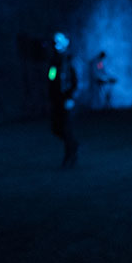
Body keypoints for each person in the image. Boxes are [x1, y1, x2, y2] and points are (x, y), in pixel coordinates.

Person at [47, 32, 79, 167]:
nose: (56, 45)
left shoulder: (66, 61)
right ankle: (72, 145)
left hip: (65, 100)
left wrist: (70, 97)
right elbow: (51, 79)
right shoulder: (55, 61)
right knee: (56, 128)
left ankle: (69, 155)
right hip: (57, 100)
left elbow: (72, 81)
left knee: (65, 128)